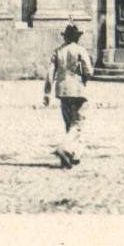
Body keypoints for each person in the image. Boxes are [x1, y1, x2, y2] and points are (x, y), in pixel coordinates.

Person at [43, 22, 94, 169]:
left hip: (62, 91)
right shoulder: (80, 50)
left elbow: (50, 73)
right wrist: (84, 75)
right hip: (78, 91)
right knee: (77, 124)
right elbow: (88, 71)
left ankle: (73, 154)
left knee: (69, 123)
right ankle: (64, 148)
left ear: (65, 37)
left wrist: (47, 93)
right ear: (77, 37)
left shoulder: (57, 51)